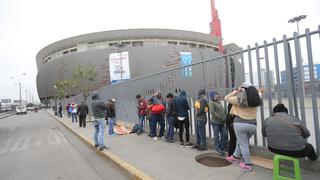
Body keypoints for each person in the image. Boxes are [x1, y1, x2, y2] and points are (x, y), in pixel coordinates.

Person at [224, 82, 262, 171]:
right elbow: (258, 92)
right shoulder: (257, 98)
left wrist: (237, 90)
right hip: (252, 125)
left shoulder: (239, 99)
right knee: (241, 142)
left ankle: (247, 163)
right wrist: (252, 88)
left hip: (240, 124)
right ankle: (235, 157)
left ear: (244, 89)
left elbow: (226, 98)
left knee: (243, 144)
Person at [208, 90, 226, 155]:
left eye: (217, 95)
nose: (218, 95)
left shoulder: (219, 102)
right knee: (216, 136)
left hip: (222, 122)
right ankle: (217, 148)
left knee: (224, 135)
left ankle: (221, 147)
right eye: (216, 94)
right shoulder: (211, 102)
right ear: (213, 96)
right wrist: (221, 118)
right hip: (216, 122)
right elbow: (212, 112)